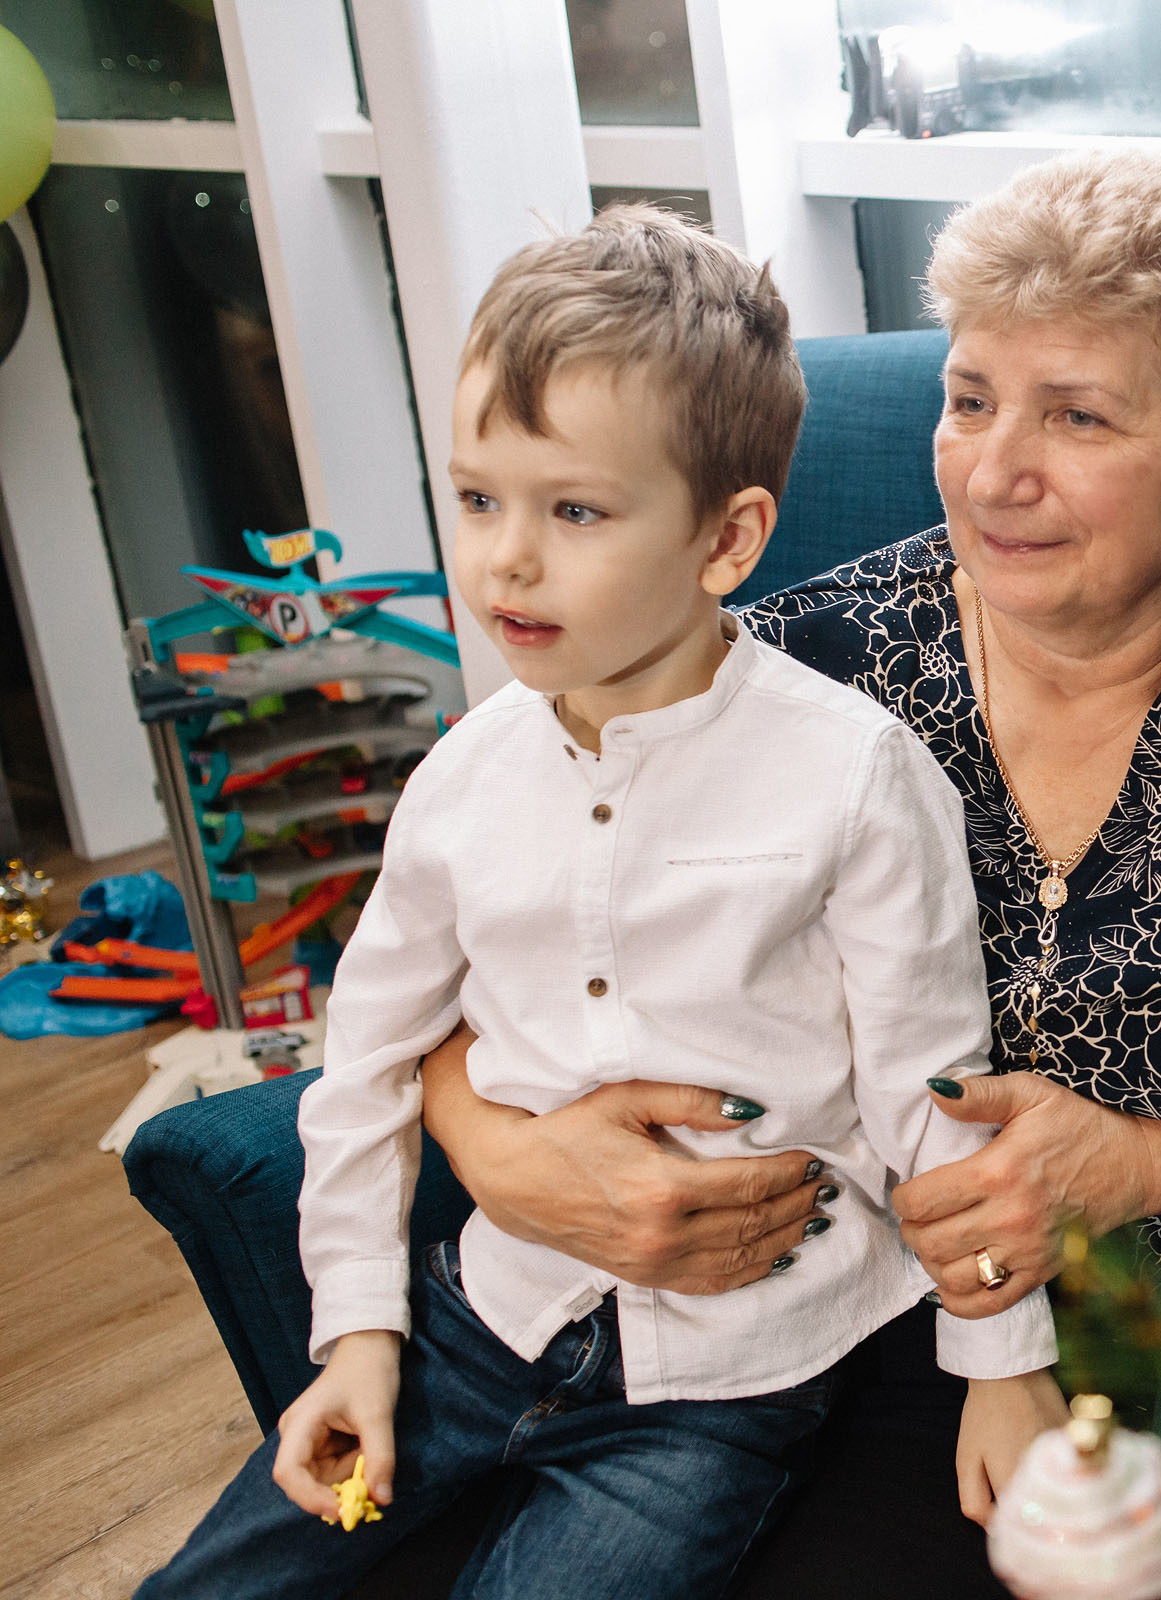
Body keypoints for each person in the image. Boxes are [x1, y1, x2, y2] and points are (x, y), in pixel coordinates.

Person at [412, 152, 1161, 1588]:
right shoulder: (787, 669)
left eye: (1078, 416)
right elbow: (451, 934)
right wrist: (496, 1149)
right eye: (971, 399)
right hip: (805, 1319)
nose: (995, 474)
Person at [136, 206, 1060, 1600]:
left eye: (573, 511)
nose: (506, 560)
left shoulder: (855, 776)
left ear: (725, 538)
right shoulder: (459, 782)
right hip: (480, 1324)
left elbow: (933, 1102)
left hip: (732, 1382)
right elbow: (367, 1065)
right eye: (479, 499)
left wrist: (1001, 1367)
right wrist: (359, 1338)